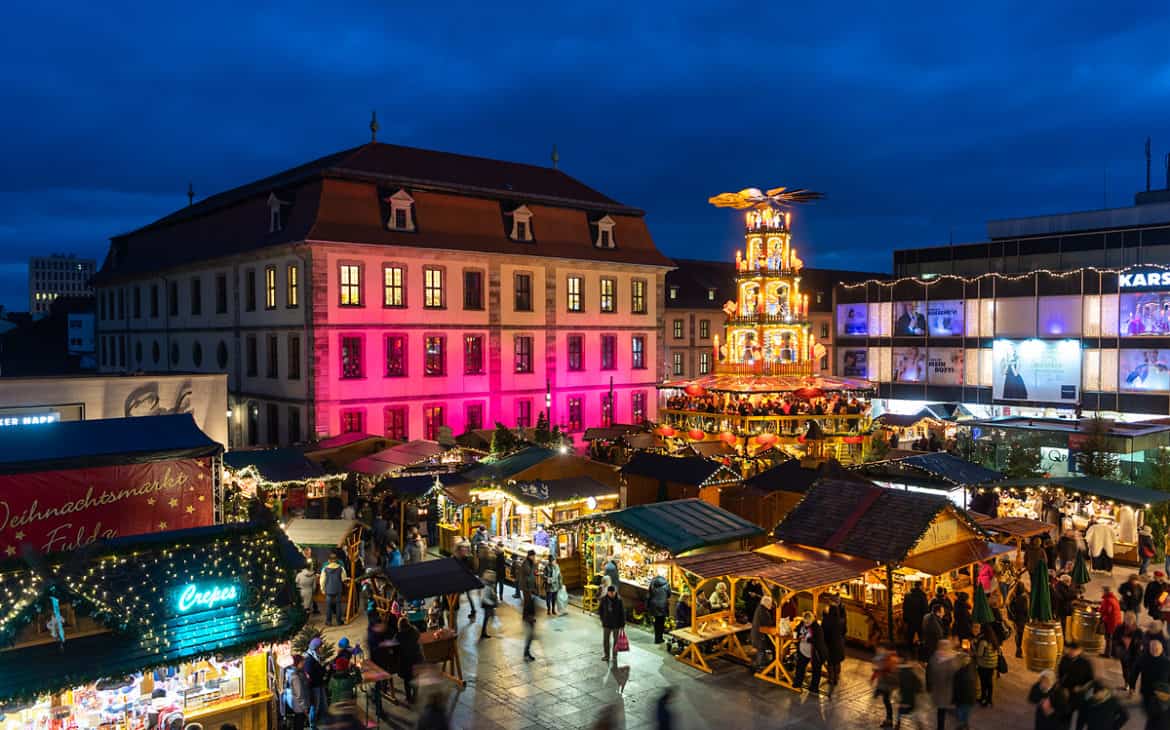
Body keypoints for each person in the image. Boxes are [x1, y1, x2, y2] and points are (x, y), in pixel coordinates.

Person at [1058, 641, 1094, 729]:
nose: (1072, 652)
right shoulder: (1064, 659)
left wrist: (1082, 687)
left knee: (1081, 718)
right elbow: (1060, 675)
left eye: (1074, 650)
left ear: (1080, 651)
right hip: (1068, 693)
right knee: (1066, 715)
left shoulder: (1085, 663)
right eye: (1070, 650)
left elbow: (1091, 680)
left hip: (1080, 694)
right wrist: (1062, 688)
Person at [926, 640, 959, 730]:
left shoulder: (937, 657)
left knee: (942, 710)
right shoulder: (947, 659)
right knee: (942, 710)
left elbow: (930, 672)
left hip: (943, 690)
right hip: (943, 690)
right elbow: (929, 673)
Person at [794, 610, 828, 695]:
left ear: (812, 621)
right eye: (805, 622)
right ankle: (797, 683)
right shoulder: (802, 623)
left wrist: (808, 639)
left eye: (808, 623)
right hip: (803, 651)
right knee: (800, 667)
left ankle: (814, 687)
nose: (806, 624)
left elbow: (819, 641)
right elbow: (797, 630)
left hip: (814, 653)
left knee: (816, 670)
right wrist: (798, 635)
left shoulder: (817, 628)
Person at [1113, 611, 1143, 695]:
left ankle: (1132, 688)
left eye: (1130, 620)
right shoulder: (1119, 628)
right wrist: (1118, 647)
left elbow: (1141, 642)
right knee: (1125, 670)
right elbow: (1115, 639)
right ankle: (1126, 683)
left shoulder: (1138, 631)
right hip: (1123, 654)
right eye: (1127, 620)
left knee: (1133, 671)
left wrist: (1137, 645)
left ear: (1134, 620)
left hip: (1134, 654)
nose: (1128, 622)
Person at [871, 643, 898, 728]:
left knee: (887, 701)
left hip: (888, 685)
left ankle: (890, 721)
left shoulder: (891, 659)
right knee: (886, 701)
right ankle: (889, 720)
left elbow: (888, 671)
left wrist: (879, 670)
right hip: (887, 684)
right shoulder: (888, 657)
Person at [972, 624, 1000, 707]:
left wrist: (973, 646)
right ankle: (989, 699)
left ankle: (983, 698)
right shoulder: (994, 640)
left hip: (984, 665)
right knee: (989, 682)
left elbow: (979, 654)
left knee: (983, 682)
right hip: (993, 664)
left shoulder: (983, 642)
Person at [895, 652, 924, 730]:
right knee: (912, 712)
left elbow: (899, 684)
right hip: (909, 697)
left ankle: (898, 724)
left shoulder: (903, 672)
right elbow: (919, 686)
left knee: (902, 711)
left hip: (905, 697)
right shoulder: (911, 672)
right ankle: (919, 726)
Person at [396, 616, 421, 704]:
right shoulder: (415, 631)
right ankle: (416, 695)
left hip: (406, 661)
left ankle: (408, 697)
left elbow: (395, 647)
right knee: (415, 678)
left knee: (407, 680)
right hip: (416, 659)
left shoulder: (399, 636)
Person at [304, 637, 328, 729]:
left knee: (323, 705)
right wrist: (322, 671)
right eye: (321, 647)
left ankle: (324, 723)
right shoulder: (309, 659)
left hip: (319, 685)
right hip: (314, 687)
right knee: (315, 707)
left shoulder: (316, 657)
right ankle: (312, 726)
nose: (322, 648)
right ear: (316, 647)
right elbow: (310, 674)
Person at [822, 600, 846, 689]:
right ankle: (836, 678)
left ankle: (830, 678)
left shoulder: (826, 621)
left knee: (830, 662)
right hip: (839, 644)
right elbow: (844, 631)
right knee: (837, 662)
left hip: (829, 644)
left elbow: (823, 632)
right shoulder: (841, 621)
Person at [319, 552, 348, 626]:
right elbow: (344, 579)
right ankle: (339, 621)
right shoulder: (341, 568)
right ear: (336, 560)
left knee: (328, 606)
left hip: (328, 589)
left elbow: (322, 580)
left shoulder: (325, 569)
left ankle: (328, 621)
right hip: (338, 588)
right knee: (338, 605)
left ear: (329, 560)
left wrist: (322, 589)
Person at [950, 648, 976, 730]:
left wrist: (954, 699)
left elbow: (957, 689)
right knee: (964, 715)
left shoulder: (959, 674)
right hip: (969, 699)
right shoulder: (970, 669)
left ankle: (963, 726)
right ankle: (965, 725)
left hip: (963, 700)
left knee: (961, 715)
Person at [598, 584, 625, 663]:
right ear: (608, 592)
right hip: (607, 623)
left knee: (616, 641)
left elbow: (622, 612)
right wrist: (603, 619)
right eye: (610, 592)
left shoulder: (619, 600)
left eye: (613, 592)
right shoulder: (604, 599)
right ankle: (607, 656)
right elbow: (600, 610)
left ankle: (614, 656)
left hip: (616, 624)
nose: (612, 594)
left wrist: (622, 624)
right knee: (606, 640)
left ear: (615, 592)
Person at [902, 579, 929, 651]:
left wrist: (905, 618)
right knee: (921, 636)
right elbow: (925, 609)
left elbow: (905, 608)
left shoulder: (907, 595)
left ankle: (909, 651)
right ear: (920, 586)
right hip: (920, 620)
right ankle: (921, 652)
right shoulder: (923, 596)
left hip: (910, 620)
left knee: (910, 636)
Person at [751, 594, 775, 671]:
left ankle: (761, 665)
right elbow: (768, 623)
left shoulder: (761, 609)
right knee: (760, 650)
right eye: (770, 603)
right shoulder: (763, 611)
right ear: (766, 603)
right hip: (759, 635)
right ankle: (759, 666)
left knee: (761, 650)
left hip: (757, 633)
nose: (771, 605)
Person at [648, 571, 672, 644]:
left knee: (657, 621)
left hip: (654, 605)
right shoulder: (666, 584)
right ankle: (660, 638)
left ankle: (657, 638)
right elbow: (669, 594)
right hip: (663, 605)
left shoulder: (652, 583)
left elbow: (650, 592)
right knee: (661, 621)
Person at [286, 654, 308, 730]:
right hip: (299, 707)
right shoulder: (295, 676)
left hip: (299, 706)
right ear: (297, 663)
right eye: (302, 662)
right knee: (299, 724)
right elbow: (299, 694)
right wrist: (305, 708)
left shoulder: (299, 673)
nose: (303, 663)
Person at [1098, 586, 1122, 659]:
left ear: (1105, 591)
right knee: (1113, 638)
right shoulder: (1113, 598)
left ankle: (1107, 654)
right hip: (1116, 621)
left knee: (1108, 639)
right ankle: (1113, 654)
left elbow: (1107, 611)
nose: (1101, 592)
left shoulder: (1107, 600)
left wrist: (1098, 610)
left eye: (1102, 591)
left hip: (1110, 622)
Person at [1008, 584, 1029, 659]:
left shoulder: (1013, 597)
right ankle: (1019, 651)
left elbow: (1009, 607)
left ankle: (1018, 649)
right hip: (1021, 619)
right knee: (1020, 635)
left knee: (1018, 634)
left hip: (1016, 619)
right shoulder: (1023, 598)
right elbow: (1025, 610)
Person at [479, 569, 498, 639]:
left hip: (488, 605)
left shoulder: (489, 585)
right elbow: (484, 598)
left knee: (486, 619)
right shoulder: (486, 586)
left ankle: (483, 633)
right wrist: (492, 603)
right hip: (487, 605)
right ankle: (483, 633)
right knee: (486, 618)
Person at [523, 590, 537, 661]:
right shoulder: (529, 601)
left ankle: (527, 654)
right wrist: (531, 619)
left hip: (530, 622)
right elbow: (526, 613)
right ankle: (526, 654)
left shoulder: (531, 600)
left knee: (529, 639)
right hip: (528, 622)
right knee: (529, 639)